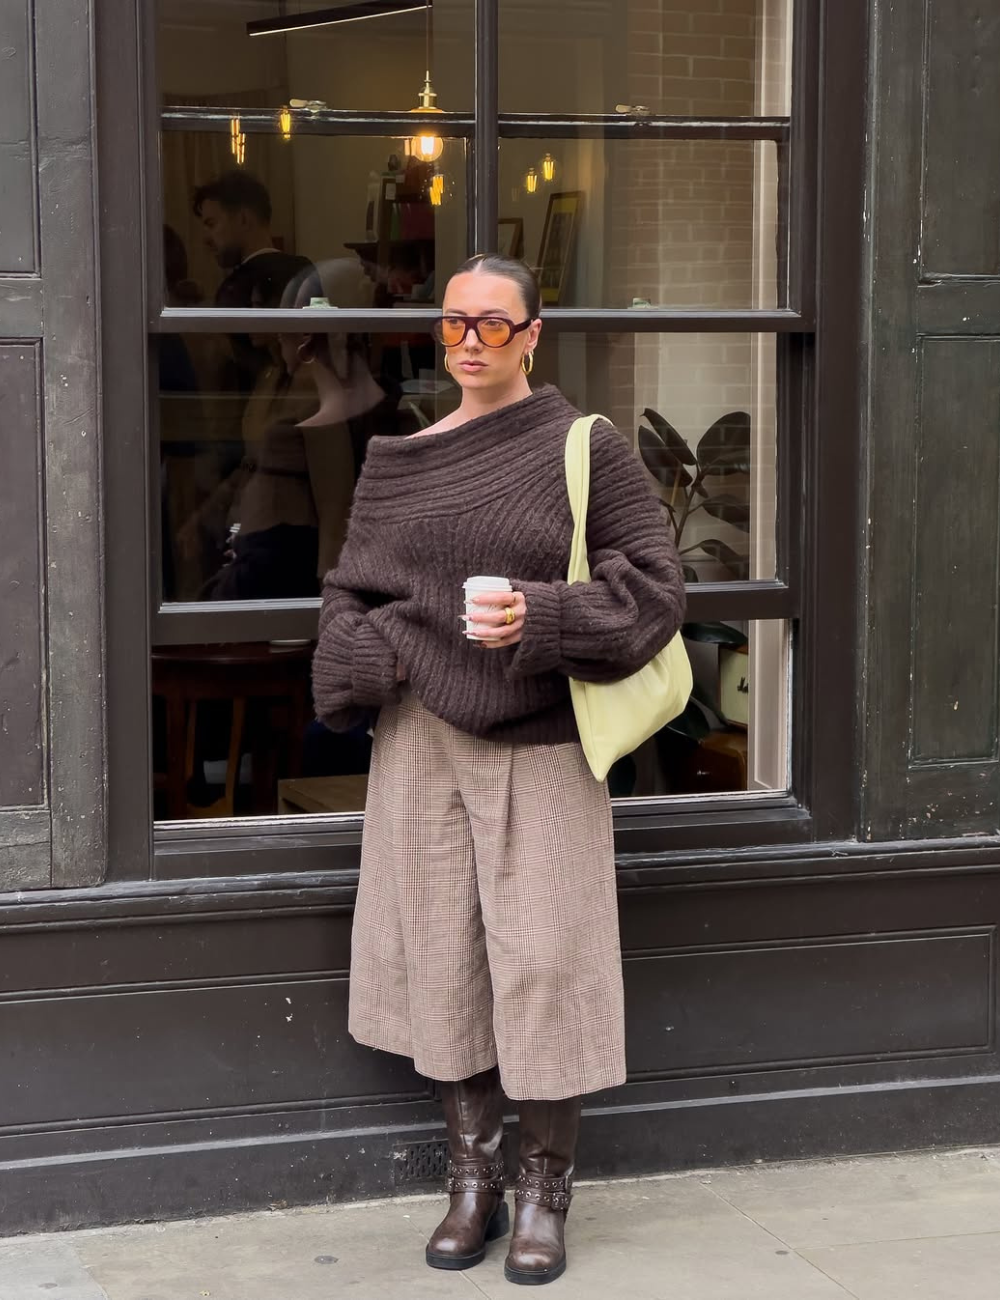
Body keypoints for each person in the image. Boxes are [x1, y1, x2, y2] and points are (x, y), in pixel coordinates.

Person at [311, 254, 686, 1285]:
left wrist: (542, 615)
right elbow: (347, 594)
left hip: (541, 741)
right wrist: (373, 653)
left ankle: (543, 1194)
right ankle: (469, 1182)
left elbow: (655, 588)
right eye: (452, 325)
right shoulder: (397, 458)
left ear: (532, 334)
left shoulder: (583, 447)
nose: (469, 341)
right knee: (440, 953)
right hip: (418, 739)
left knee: (546, 965)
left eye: (491, 323)